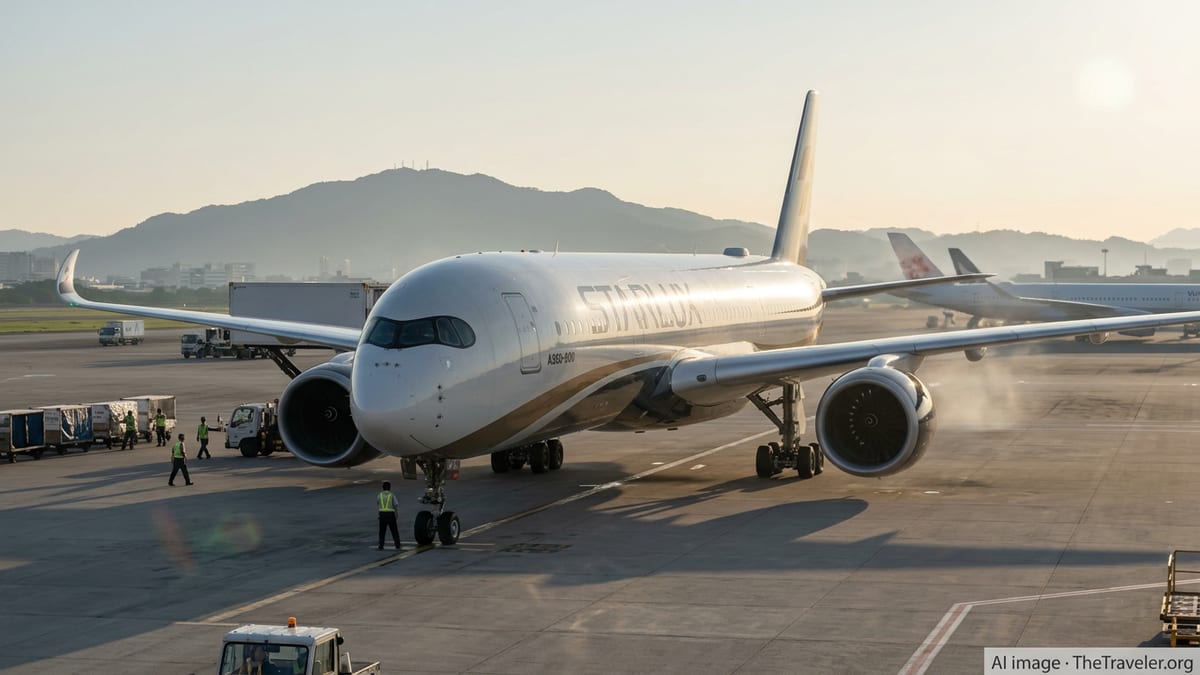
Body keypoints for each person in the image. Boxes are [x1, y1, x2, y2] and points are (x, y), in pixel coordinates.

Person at [378, 480, 401, 550]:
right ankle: (397, 544)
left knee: (382, 531)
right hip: (390, 514)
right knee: (394, 531)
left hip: (382, 514)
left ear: (383, 488)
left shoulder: (380, 495)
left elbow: (378, 504)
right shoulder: (392, 495)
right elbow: (395, 505)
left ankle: (381, 545)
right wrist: (396, 514)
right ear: (390, 487)